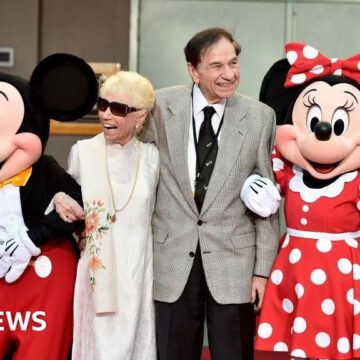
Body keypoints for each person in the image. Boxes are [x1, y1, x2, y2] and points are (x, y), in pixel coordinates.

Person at [140, 27, 279, 360]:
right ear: (193, 69)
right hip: (171, 258)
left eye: (233, 63)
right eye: (217, 66)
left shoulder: (260, 117)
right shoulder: (159, 106)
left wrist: (262, 271)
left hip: (235, 261)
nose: (229, 74)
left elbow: (267, 200)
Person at [242, 43, 360, 359]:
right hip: (293, 267)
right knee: (294, 341)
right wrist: (251, 188)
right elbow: (265, 194)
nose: (323, 132)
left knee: (335, 340)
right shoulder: (287, 170)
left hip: (343, 273)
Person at [59, 70, 159, 360]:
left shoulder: (152, 158)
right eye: (103, 104)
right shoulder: (82, 153)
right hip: (97, 273)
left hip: (139, 272)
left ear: (140, 116)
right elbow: (65, 204)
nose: (106, 115)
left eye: (118, 109)